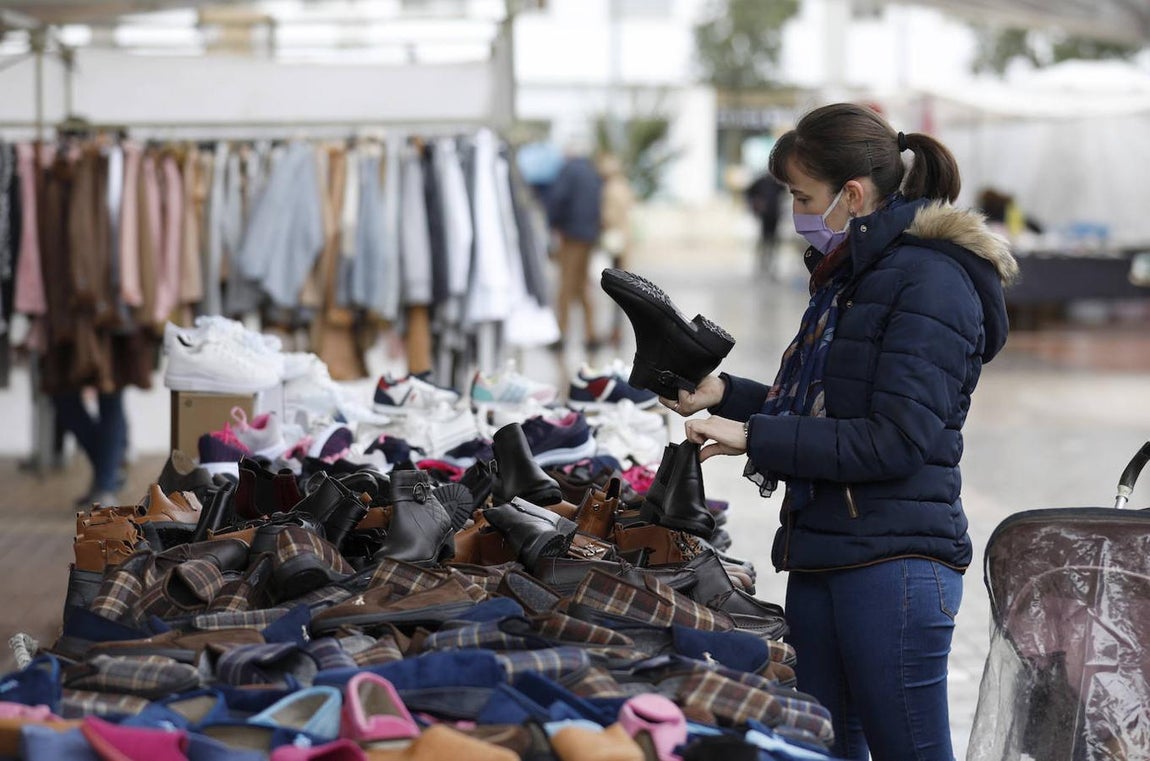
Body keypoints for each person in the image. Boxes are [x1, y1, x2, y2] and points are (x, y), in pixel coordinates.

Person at [661, 103, 1018, 760]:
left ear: (851, 195)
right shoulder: (855, 273)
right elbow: (831, 403)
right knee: (822, 747)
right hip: (825, 552)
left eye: (803, 197)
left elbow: (894, 438)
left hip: (893, 566)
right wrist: (727, 396)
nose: (796, 211)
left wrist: (755, 437)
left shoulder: (931, 281)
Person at [545, 140, 603, 352]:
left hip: (570, 236)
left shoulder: (568, 171)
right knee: (583, 284)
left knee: (566, 286)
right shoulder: (592, 172)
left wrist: (553, 224)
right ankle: (591, 333)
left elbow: (558, 199)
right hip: (589, 236)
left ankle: (560, 333)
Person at [597, 152, 635, 349]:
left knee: (615, 288)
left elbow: (609, 216)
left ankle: (615, 331)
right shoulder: (624, 185)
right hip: (624, 239)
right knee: (621, 288)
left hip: (615, 241)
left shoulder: (610, 189)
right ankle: (616, 330)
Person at [744, 171, 784, 277]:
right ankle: (761, 267)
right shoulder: (761, 182)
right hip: (764, 217)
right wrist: (755, 204)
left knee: (773, 243)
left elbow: (784, 192)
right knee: (764, 242)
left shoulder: (777, 183)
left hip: (775, 216)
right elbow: (748, 192)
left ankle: (771, 267)